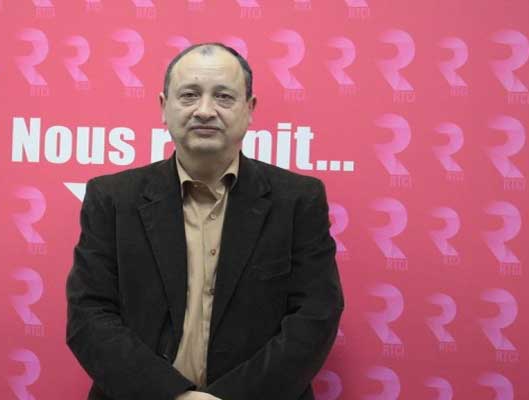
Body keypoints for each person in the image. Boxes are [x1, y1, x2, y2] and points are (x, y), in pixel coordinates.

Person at [66, 43, 344, 400]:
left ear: (250, 109)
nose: (205, 110)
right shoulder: (112, 198)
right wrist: (173, 396)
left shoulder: (298, 200)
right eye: (189, 95)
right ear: (164, 107)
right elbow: (89, 316)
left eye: (224, 97)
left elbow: (316, 315)